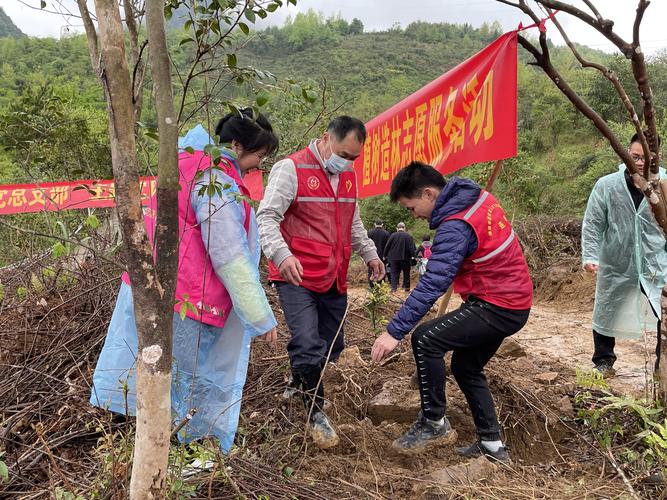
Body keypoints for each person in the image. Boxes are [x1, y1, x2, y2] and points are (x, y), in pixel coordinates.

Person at [90, 109, 279, 452]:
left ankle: (132, 447)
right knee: (183, 384)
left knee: (148, 372)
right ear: (237, 145)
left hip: (153, 288)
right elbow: (229, 254)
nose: (257, 165)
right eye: (259, 155)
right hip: (190, 299)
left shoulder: (185, 162)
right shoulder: (215, 178)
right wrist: (260, 317)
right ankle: (179, 452)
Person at [370, 162, 532, 462]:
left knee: (425, 339)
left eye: (411, 207)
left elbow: (432, 283)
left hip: (498, 304)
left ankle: (434, 423)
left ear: (430, 194)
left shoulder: (456, 225)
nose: (414, 215)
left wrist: (393, 332)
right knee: (465, 366)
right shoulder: (476, 197)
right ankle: (493, 445)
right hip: (512, 299)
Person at [257, 116, 385, 449]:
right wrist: (282, 256)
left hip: (334, 275)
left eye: (354, 158)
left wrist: (370, 254)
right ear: (326, 138)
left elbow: (353, 221)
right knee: (307, 341)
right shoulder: (290, 169)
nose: (347, 162)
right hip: (295, 274)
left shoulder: (348, 175)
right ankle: (315, 412)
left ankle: (298, 381)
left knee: (332, 345)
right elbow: (267, 216)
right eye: (344, 153)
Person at [582, 132, 666, 377]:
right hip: (616, 260)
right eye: (635, 156)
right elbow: (593, 223)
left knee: (664, 311)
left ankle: (662, 367)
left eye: (646, 158)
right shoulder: (608, 185)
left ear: (655, 159)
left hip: (655, 261)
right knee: (607, 307)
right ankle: (604, 361)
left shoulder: (664, 183)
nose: (639, 162)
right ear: (626, 154)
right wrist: (590, 256)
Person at [384, 222, 416, 292]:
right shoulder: (408, 236)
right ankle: (407, 288)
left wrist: (384, 255)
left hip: (394, 258)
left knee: (394, 273)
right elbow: (412, 248)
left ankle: (394, 288)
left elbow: (387, 246)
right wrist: (414, 256)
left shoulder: (393, 235)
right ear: (404, 228)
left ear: (397, 228)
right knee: (406, 273)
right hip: (405, 258)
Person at [367, 220, 390, 285]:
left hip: (371, 255)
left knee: (371, 270)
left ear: (375, 224)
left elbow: (367, 243)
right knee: (382, 269)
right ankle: (381, 284)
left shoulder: (370, 233)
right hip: (383, 255)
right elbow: (388, 245)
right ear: (382, 224)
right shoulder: (386, 233)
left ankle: (371, 284)